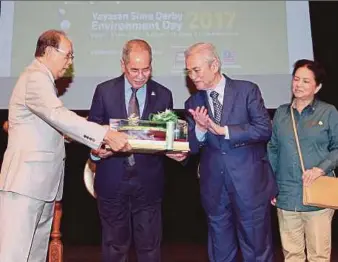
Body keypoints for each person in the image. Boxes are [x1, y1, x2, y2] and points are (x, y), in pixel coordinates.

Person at [0, 29, 131, 262]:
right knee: (15, 255)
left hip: (40, 185)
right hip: (25, 185)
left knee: (34, 256)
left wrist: (69, 137)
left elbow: (48, 123)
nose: (70, 62)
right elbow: (57, 114)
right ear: (49, 51)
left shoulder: (42, 80)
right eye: (68, 55)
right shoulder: (35, 78)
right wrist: (104, 134)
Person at [87, 39, 186, 262]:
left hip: (149, 184)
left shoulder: (163, 94)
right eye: (134, 70)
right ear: (123, 65)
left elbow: (166, 136)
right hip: (112, 181)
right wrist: (95, 152)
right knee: (114, 248)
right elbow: (92, 130)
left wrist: (176, 151)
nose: (140, 75)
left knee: (150, 248)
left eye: (146, 69)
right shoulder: (104, 91)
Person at [184, 42, 277, 262]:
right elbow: (192, 147)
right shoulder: (193, 102)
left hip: (250, 185)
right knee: (220, 252)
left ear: (214, 65)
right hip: (214, 188)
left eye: (196, 70)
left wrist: (223, 130)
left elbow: (264, 129)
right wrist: (199, 129)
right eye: (188, 71)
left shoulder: (247, 90)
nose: (192, 77)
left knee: (257, 249)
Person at [268, 59, 337, 262]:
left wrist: (321, 169)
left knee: (318, 256)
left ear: (318, 86)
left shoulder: (329, 112)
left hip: (318, 195)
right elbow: (272, 150)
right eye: (296, 79)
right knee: (292, 255)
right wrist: (271, 186)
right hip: (287, 196)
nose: (298, 84)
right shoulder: (281, 113)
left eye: (306, 81)